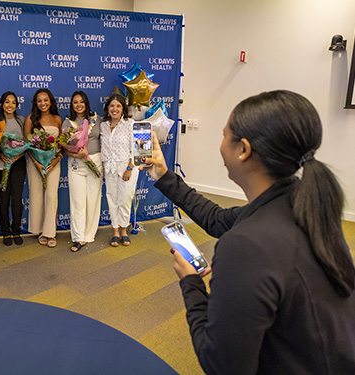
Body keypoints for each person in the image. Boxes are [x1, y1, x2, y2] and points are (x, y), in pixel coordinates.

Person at [143, 90, 355, 374]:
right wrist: (162, 174)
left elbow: (221, 364)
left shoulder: (245, 245)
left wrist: (191, 283)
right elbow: (217, 219)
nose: (220, 145)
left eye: (223, 135)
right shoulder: (305, 206)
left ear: (243, 149)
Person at [62, 91, 103, 252]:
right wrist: (75, 154)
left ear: (86, 103)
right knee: (78, 202)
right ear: (71, 105)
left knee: (93, 200)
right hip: (76, 164)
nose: (78, 105)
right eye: (75, 102)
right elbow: (63, 147)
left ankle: (89, 235)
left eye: (81, 102)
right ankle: (78, 237)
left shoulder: (96, 120)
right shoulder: (67, 123)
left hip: (95, 162)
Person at [24, 89, 62, 248]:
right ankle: (40, 231)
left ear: (51, 101)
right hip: (35, 164)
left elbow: (62, 145)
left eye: (45, 100)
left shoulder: (58, 119)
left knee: (51, 197)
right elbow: (27, 145)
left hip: (53, 164)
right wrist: (37, 163)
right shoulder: (30, 119)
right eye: (39, 101)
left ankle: (50, 232)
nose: (43, 103)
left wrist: (56, 159)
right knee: (37, 196)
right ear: (36, 103)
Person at [100, 94, 138, 247]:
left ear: (123, 108)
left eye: (118, 106)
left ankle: (124, 230)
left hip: (127, 167)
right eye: (112, 106)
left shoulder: (131, 124)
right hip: (109, 168)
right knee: (112, 198)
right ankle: (115, 231)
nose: (114, 109)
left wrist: (129, 168)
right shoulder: (103, 125)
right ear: (107, 108)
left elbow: (138, 148)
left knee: (125, 199)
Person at [0, 91, 26, 246]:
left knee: (16, 200)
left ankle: (16, 230)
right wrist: (1, 155)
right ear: (1, 104)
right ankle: (5, 232)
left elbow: (28, 143)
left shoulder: (21, 120)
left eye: (13, 102)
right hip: (2, 164)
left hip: (18, 163)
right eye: (7, 102)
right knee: (3, 199)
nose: (10, 105)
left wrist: (17, 156)